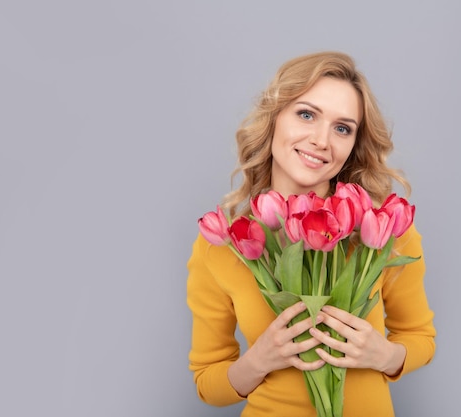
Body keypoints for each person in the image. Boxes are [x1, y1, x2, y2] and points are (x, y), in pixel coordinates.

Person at [186, 51, 436, 417]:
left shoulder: (382, 231)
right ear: (274, 120)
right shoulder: (227, 242)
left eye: (342, 128)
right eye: (306, 114)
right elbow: (208, 383)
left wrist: (385, 356)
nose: (321, 140)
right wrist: (260, 360)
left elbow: (420, 338)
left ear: (353, 144)